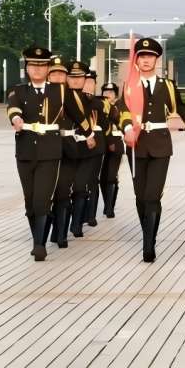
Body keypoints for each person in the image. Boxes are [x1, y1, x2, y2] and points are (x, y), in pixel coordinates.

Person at [120, 37, 185, 262]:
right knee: (140, 196)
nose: (146, 60)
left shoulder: (167, 85)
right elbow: (122, 109)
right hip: (136, 144)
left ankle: (149, 244)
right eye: (142, 56)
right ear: (136, 60)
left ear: (157, 60)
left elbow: (182, 108)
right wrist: (127, 127)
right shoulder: (129, 85)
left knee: (152, 196)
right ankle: (147, 234)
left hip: (160, 144)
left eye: (150, 56)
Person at [6, 47, 95, 261]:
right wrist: (16, 119)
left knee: (42, 200)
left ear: (47, 68)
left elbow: (77, 114)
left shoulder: (60, 91)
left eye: (42, 65)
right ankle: (38, 236)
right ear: (27, 68)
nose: (37, 69)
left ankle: (39, 244)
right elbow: (13, 109)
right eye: (33, 65)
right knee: (30, 203)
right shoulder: (18, 90)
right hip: (26, 150)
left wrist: (89, 134)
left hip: (50, 151)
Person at [65, 61, 104, 238]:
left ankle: (77, 224)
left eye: (80, 77)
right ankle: (61, 227)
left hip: (87, 150)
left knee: (81, 186)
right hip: (67, 148)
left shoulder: (92, 101)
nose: (76, 80)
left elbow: (105, 116)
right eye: (72, 77)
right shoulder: (60, 97)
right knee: (64, 189)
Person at [47, 56, 76, 248]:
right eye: (54, 73)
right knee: (48, 195)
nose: (58, 77)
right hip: (47, 149)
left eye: (61, 74)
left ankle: (61, 233)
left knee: (64, 192)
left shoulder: (72, 96)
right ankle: (50, 231)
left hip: (68, 148)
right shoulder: (42, 95)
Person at [82, 70, 109, 227]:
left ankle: (91, 214)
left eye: (91, 82)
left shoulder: (99, 103)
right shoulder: (75, 100)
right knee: (80, 181)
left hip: (96, 143)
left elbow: (105, 123)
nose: (88, 85)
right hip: (78, 143)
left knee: (92, 179)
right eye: (86, 81)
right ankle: (80, 213)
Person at [99, 82, 124, 218]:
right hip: (102, 143)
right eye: (105, 92)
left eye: (111, 92)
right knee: (103, 177)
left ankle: (110, 207)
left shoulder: (120, 106)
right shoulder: (99, 105)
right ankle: (107, 203)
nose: (108, 94)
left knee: (111, 176)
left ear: (115, 94)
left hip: (116, 142)